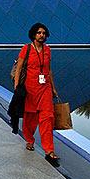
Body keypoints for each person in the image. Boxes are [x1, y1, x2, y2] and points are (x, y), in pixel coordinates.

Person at [13, 22, 60, 165]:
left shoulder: (47, 50)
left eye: (44, 33)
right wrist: (17, 87)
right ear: (34, 34)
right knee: (30, 117)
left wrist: (53, 87)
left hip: (45, 88)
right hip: (30, 89)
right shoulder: (26, 49)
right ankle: (29, 140)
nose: (42, 35)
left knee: (47, 117)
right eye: (39, 33)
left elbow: (49, 70)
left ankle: (49, 151)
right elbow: (19, 68)